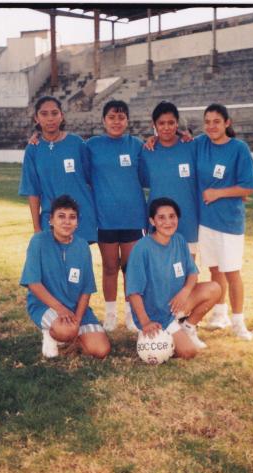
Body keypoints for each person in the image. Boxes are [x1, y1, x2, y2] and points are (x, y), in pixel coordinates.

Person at [126, 197, 221, 358]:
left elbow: (192, 273)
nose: (168, 222)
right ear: (152, 221)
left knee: (214, 288)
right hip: (155, 314)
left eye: (172, 216)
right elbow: (133, 292)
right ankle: (161, 332)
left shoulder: (179, 240)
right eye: (161, 217)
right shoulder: (142, 249)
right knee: (188, 352)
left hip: (176, 305)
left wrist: (185, 291)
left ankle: (188, 327)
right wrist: (145, 322)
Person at [195, 103, 253, 340]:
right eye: (208, 121)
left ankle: (239, 323)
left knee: (232, 272)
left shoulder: (239, 149)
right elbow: (180, 143)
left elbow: (250, 186)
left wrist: (218, 193)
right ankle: (219, 315)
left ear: (227, 123)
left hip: (229, 222)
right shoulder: (200, 143)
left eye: (216, 122)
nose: (211, 126)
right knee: (215, 270)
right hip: (206, 221)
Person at [20, 195, 110, 359]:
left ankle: (70, 339)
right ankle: (51, 334)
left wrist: (78, 318)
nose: (67, 222)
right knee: (66, 330)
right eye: (61, 216)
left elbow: (86, 289)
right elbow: (33, 283)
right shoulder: (39, 241)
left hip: (76, 309)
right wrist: (60, 309)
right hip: (46, 306)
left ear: (77, 222)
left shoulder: (82, 246)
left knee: (101, 350)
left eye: (72, 217)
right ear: (51, 220)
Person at [87, 100, 147, 332]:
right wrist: (36, 137)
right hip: (105, 218)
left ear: (127, 121)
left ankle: (131, 314)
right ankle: (110, 314)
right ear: (103, 120)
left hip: (134, 217)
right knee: (110, 267)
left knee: (131, 269)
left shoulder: (137, 145)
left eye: (121, 117)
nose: (116, 122)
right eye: (111, 117)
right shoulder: (92, 146)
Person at [19, 96, 97, 243]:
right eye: (44, 114)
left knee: (78, 264)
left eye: (55, 113)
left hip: (80, 219)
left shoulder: (77, 143)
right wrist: (36, 228)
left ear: (62, 116)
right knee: (53, 265)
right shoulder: (33, 149)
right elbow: (32, 191)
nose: (50, 118)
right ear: (36, 118)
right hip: (51, 221)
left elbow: (92, 179)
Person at [140, 101, 200, 257]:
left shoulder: (191, 147)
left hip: (187, 220)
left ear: (177, 124)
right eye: (161, 123)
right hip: (158, 222)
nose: (166, 127)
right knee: (161, 273)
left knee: (188, 271)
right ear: (154, 125)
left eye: (171, 123)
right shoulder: (147, 151)